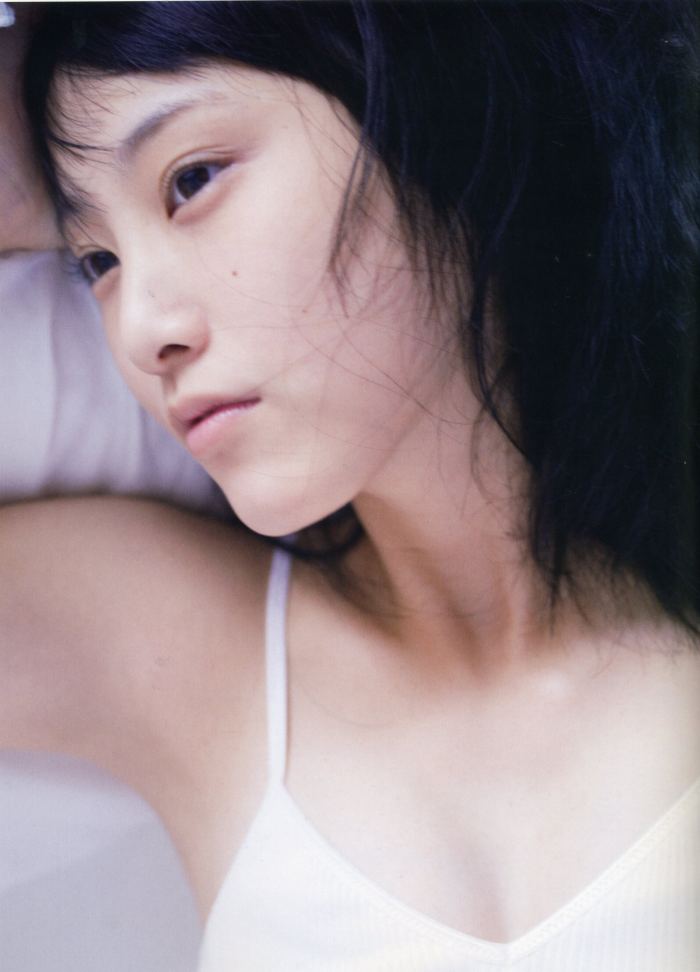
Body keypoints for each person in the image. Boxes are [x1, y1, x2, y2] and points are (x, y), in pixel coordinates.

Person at [2, 1, 699, 968]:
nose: (140, 330)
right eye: (97, 263)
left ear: (418, 98)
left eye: (191, 181)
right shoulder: (183, 654)